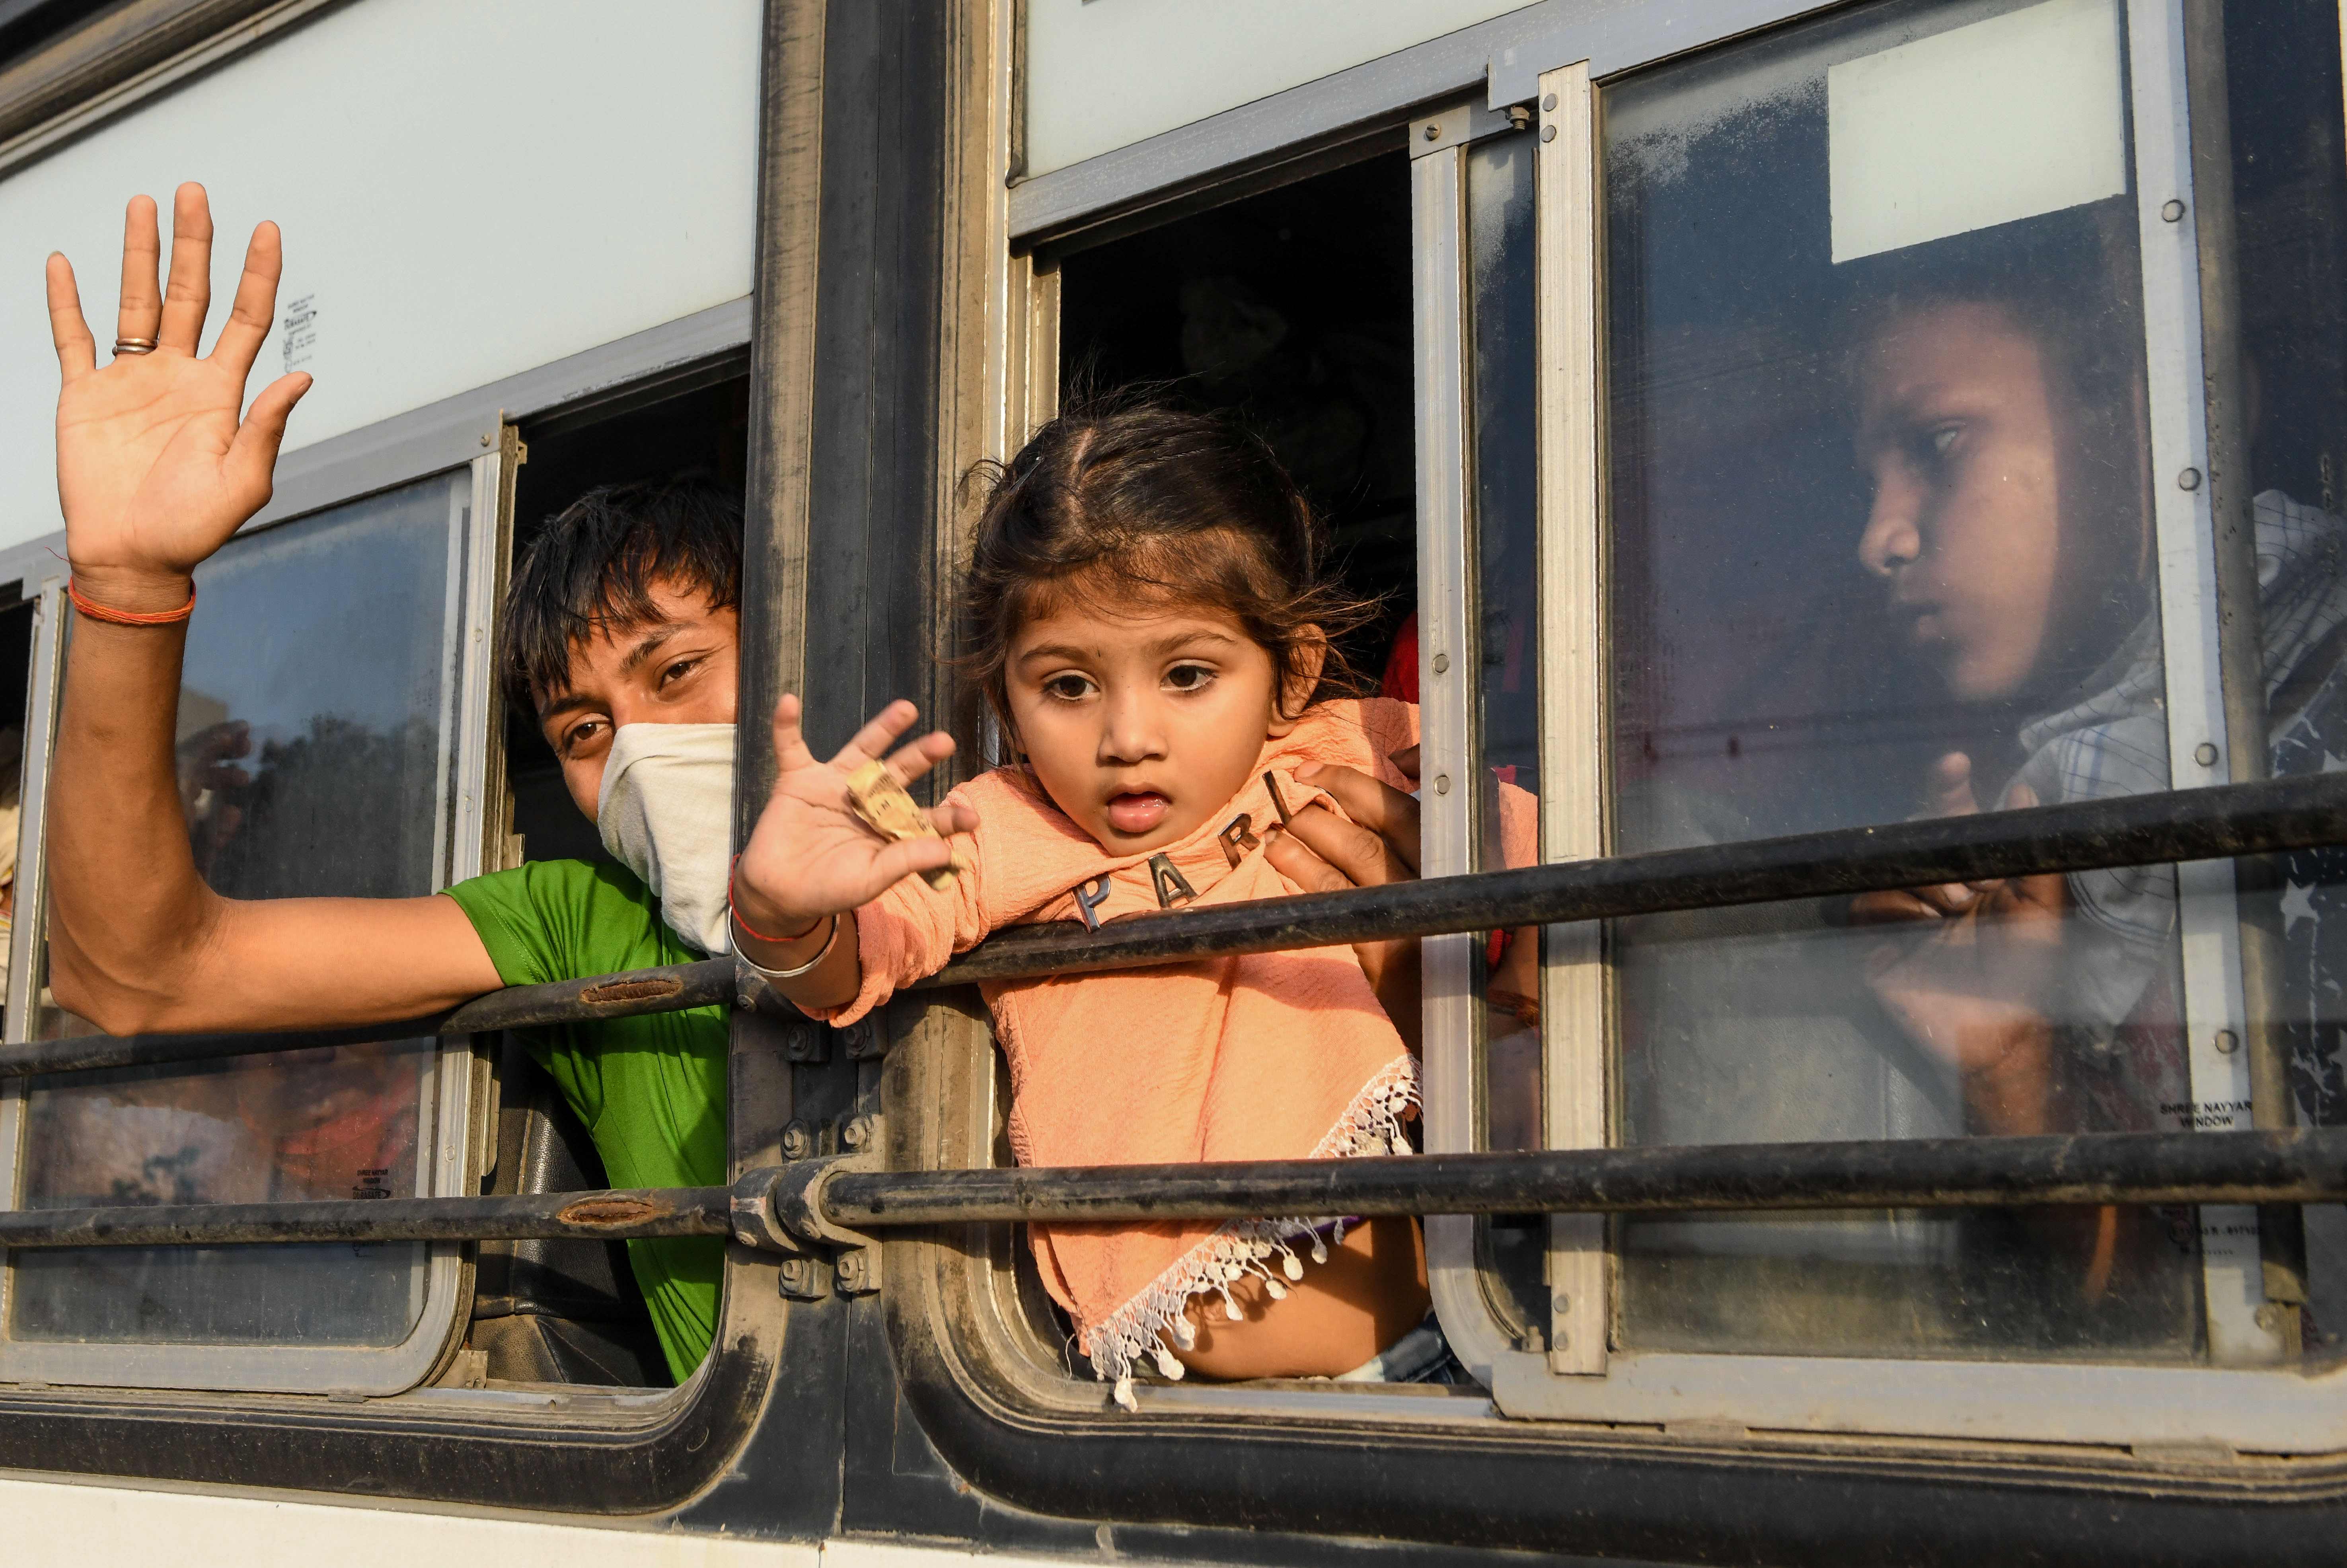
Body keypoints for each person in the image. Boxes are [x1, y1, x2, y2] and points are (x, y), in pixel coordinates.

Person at [42, 184, 1428, 1387]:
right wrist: (127, 588)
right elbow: (145, 974)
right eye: (583, 731)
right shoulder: (578, 929)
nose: (636, 750)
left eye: (677, 674)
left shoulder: (1051, 807)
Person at [727, 398, 1537, 1405]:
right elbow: (855, 962)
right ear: (1004, 703)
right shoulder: (997, 827)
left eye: (1188, 675)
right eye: (1067, 686)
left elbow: (1561, 851)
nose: (1126, 736)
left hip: (1434, 1352)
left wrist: (1512, 977)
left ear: (1292, 672)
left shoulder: (1344, 756)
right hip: (1170, 1405)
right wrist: (780, 908)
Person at [1840, 212, 2347, 1307]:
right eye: (1865, 481)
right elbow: (2206, 1337)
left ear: (2141, 423)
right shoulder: (2015, 809)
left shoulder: (2316, 738)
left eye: (1937, 444)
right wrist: (2011, 1077)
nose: (1878, 535)